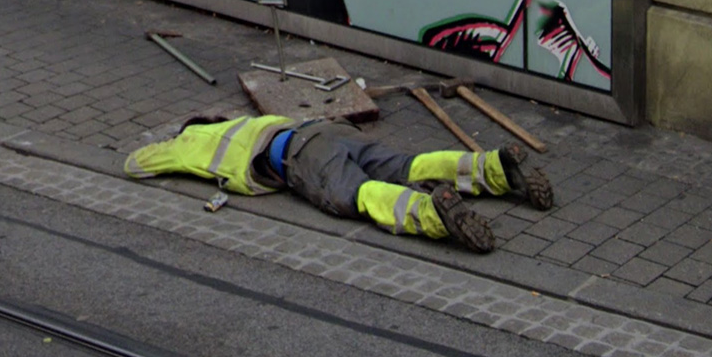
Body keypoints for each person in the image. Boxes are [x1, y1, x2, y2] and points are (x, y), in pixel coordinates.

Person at [124, 115, 553, 253]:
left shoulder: (189, 145)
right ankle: (494, 167)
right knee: (407, 164)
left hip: (302, 155)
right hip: (328, 129)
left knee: (354, 194)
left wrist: (173, 143)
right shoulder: (250, 121)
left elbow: (134, 165)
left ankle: (433, 213)